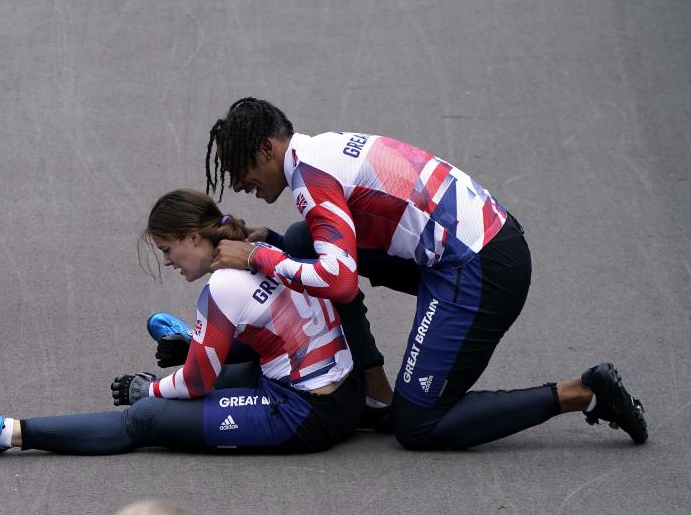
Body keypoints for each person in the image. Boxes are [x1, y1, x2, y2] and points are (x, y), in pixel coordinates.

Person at [200, 97, 648, 449]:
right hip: (480, 243)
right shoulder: (319, 149)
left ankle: (582, 393)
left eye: (239, 169)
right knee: (298, 242)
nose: (238, 184)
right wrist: (272, 246)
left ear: (267, 148)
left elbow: (339, 281)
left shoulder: (312, 181)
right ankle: (374, 384)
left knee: (417, 425)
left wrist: (256, 258)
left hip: (480, 270)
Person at [0, 189, 365, 454]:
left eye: (168, 249)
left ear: (194, 237)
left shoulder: (223, 286)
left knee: (148, 416)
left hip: (303, 414)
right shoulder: (257, 246)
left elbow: (197, 384)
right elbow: (269, 332)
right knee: (225, 362)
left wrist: (146, 387)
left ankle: (6, 433)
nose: (167, 261)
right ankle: (195, 340)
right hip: (347, 393)